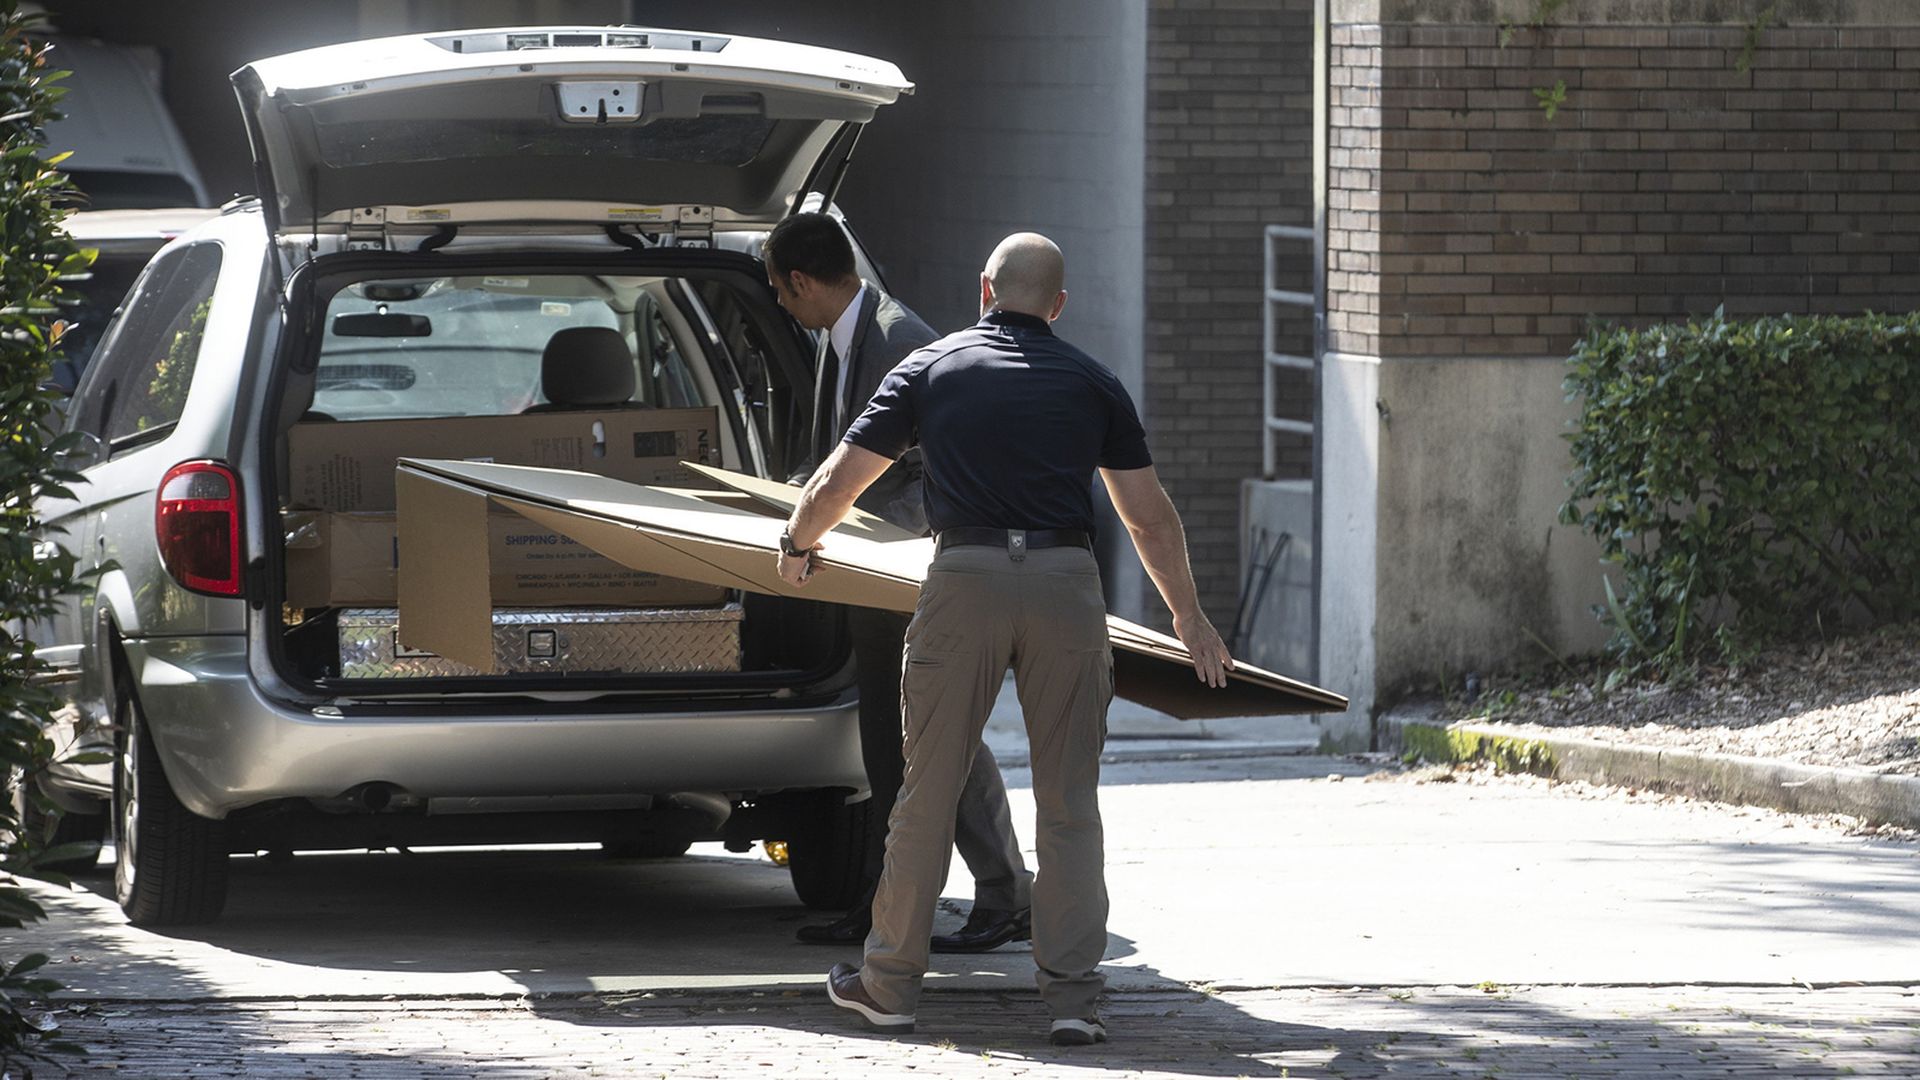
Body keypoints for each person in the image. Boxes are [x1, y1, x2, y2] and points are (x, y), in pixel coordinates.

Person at [776, 232, 1234, 1045]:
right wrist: (1188, 619)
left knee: (927, 789)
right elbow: (1149, 517)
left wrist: (800, 542)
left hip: (966, 579)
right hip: (1066, 585)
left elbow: (841, 478)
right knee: (1069, 803)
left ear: (983, 290)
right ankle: (1072, 1001)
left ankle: (888, 987)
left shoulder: (929, 366)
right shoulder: (1094, 382)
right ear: (1056, 306)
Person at [762, 213, 1034, 951]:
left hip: (907, 565)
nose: (785, 311)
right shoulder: (842, 336)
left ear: (801, 282)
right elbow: (843, 450)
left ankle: (1007, 891)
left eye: (783, 297)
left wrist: (830, 519)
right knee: (888, 738)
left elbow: (923, 469)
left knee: (937, 731)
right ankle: (887, 903)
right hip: (867, 566)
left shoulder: (898, 339)